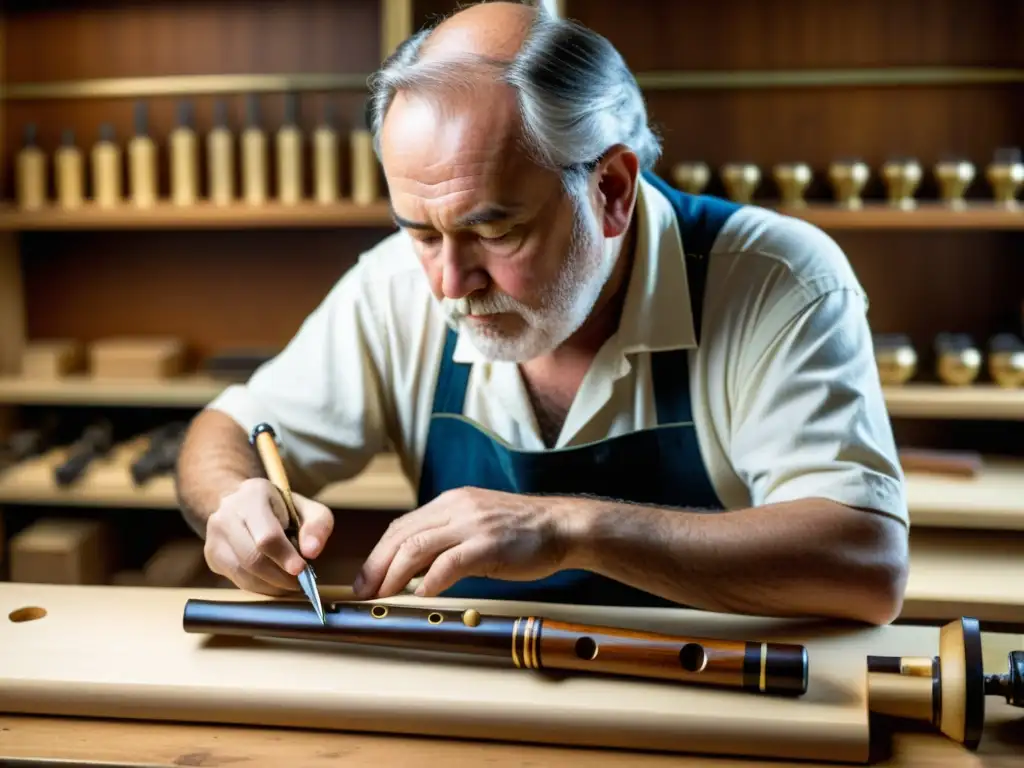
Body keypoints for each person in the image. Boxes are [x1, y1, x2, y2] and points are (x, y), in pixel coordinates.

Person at [175, 0, 909, 625]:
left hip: (722, 709)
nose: (449, 283)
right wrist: (234, 503)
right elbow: (227, 429)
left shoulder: (774, 277)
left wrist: (567, 527)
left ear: (613, 190)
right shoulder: (397, 285)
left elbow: (864, 560)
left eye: (496, 231)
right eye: (421, 231)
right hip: (488, 708)